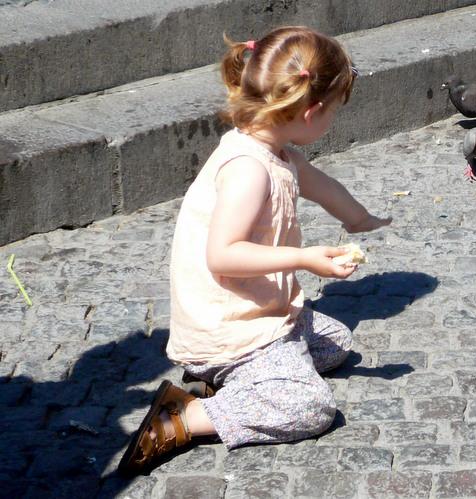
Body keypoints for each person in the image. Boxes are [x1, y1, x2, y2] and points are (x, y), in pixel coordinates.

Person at [118, 26, 391, 475]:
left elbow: (320, 185)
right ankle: (182, 417)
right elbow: (223, 255)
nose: (332, 123)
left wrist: (359, 219)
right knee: (312, 407)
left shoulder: (275, 148)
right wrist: (304, 258)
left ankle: (243, 383)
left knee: (337, 344)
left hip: (262, 311)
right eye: (334, 114)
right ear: (313, 111)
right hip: (227, 329)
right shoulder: (249, 168)